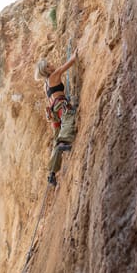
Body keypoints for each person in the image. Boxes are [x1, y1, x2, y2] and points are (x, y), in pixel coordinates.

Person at [35, 48, 78, 186]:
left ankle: (52, 174)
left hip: (53, 111)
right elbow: (71, 61)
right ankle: (64, 142)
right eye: (48, 65)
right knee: (68, 119)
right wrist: (76, 52)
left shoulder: (45, 85)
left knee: (55, 140)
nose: (51, 65)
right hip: (60, 105)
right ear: (46, 70)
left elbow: (50, 99)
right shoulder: (54, 75)